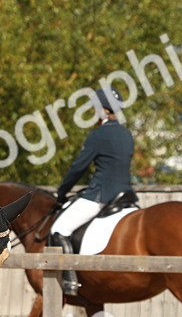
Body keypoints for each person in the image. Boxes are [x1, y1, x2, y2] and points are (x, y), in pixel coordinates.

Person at [49, 86, 134, 296]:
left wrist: (62, 192)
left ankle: (69, 281)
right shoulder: (126, 134)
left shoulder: (98, 135)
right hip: (125, 195)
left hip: (101, 194)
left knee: (58, 229)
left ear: (104, 110)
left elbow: (78, 167)